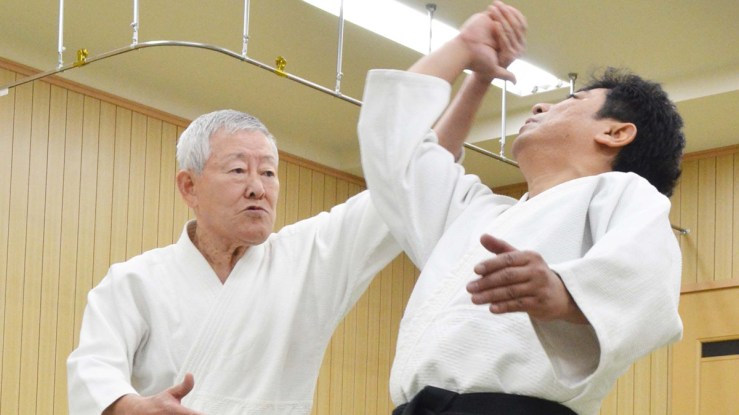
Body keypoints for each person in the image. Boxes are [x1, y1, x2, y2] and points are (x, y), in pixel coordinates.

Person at [358, 1, 685, 414]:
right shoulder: (479, 218)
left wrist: (564, 294)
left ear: (615, 132)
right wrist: (468, 58)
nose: (539, 107)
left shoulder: (622, 193)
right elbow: (399, 157)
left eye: (571, 100)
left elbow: (647, 277)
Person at [67, 109, 410, 415]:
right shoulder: (135, 281)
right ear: (189, 187)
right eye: (238, 170)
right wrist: (131, 408)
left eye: (268, 173)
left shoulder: (307, 261)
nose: (257, 188)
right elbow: (94, 369)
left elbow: (399, 188)